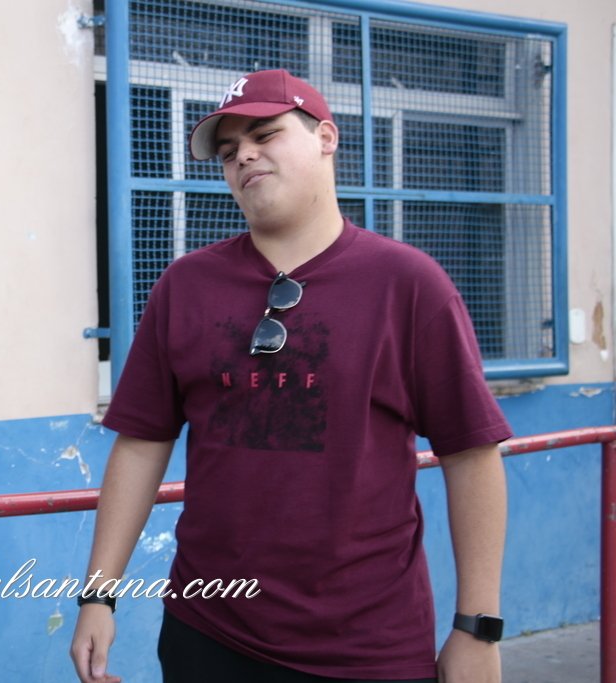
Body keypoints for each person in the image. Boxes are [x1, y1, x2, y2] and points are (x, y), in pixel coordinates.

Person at [70, 69, 510, 683]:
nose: (243, 155)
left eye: (265, 134)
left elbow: (471, 454)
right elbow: (142, 442)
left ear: (325, 138)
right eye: (228, 150)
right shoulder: (185, 286)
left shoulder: (409, 285)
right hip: (208, 631)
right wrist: (99, 594)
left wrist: (477, 628)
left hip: (366, 648)